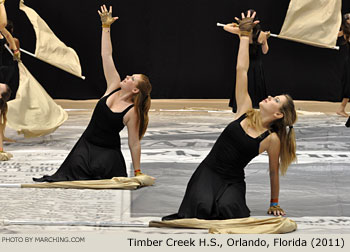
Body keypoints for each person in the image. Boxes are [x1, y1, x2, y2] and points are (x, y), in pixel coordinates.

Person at [163, 11, 297, 220]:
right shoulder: (244, 109)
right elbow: (241, 70)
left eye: (276, 100)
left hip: (232, 181)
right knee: (201, 210)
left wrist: (274, 203)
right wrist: (244, 36)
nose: (270, 96)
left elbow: (273, 171)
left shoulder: (272, 139)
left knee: (231, 212)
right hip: (208, 173)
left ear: (279, 114)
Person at [33, 5, 152, 182]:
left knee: (100, 175)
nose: (127, 76)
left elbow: (134, 142)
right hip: (86, 145)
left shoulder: (132, 111)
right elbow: (107, 55)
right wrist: (106, 28)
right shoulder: (113, 85)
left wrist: (137, 172)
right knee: (68, 176)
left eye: (132, 78)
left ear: (135, 90)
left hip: (108, 154)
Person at [224, 9, 270, 113]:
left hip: (245, 63)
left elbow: (225, 27)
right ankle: (256, 106)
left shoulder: (241, 31)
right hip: (257, 65)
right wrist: (265, 39)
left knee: (243, 84)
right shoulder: (262, 34)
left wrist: (235, 25)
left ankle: (241, 106)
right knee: (256, 85)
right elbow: (265, 51)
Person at [336, 13, 350, 117]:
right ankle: (341, 109)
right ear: (347, 21)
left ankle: (341, 108)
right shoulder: (346, 32)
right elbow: (335, 34)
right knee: (349, 85)